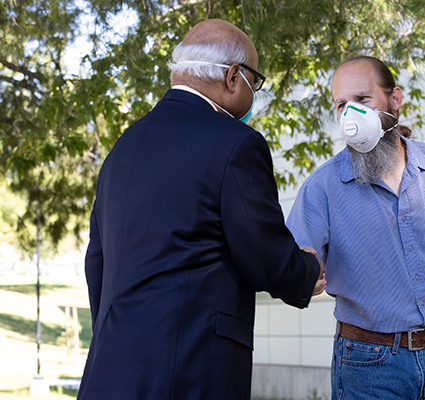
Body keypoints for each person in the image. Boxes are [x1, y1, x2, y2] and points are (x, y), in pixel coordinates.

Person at [78, 19, 325, 400]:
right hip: (188, 374)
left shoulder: (122, 149)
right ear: (232, 77)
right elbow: (264, 256)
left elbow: (97, 263)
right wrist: (307, 271)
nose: (253, 93)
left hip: (110, 372)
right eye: (254, 81)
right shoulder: (236, 143)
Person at [287, 56, 425, 399]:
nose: (351, 116)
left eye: (362, 100)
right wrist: (304, 274)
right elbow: (296, 265)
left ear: (395, 99)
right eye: (342, 105)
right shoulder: (322, 188)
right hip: (368, 365)